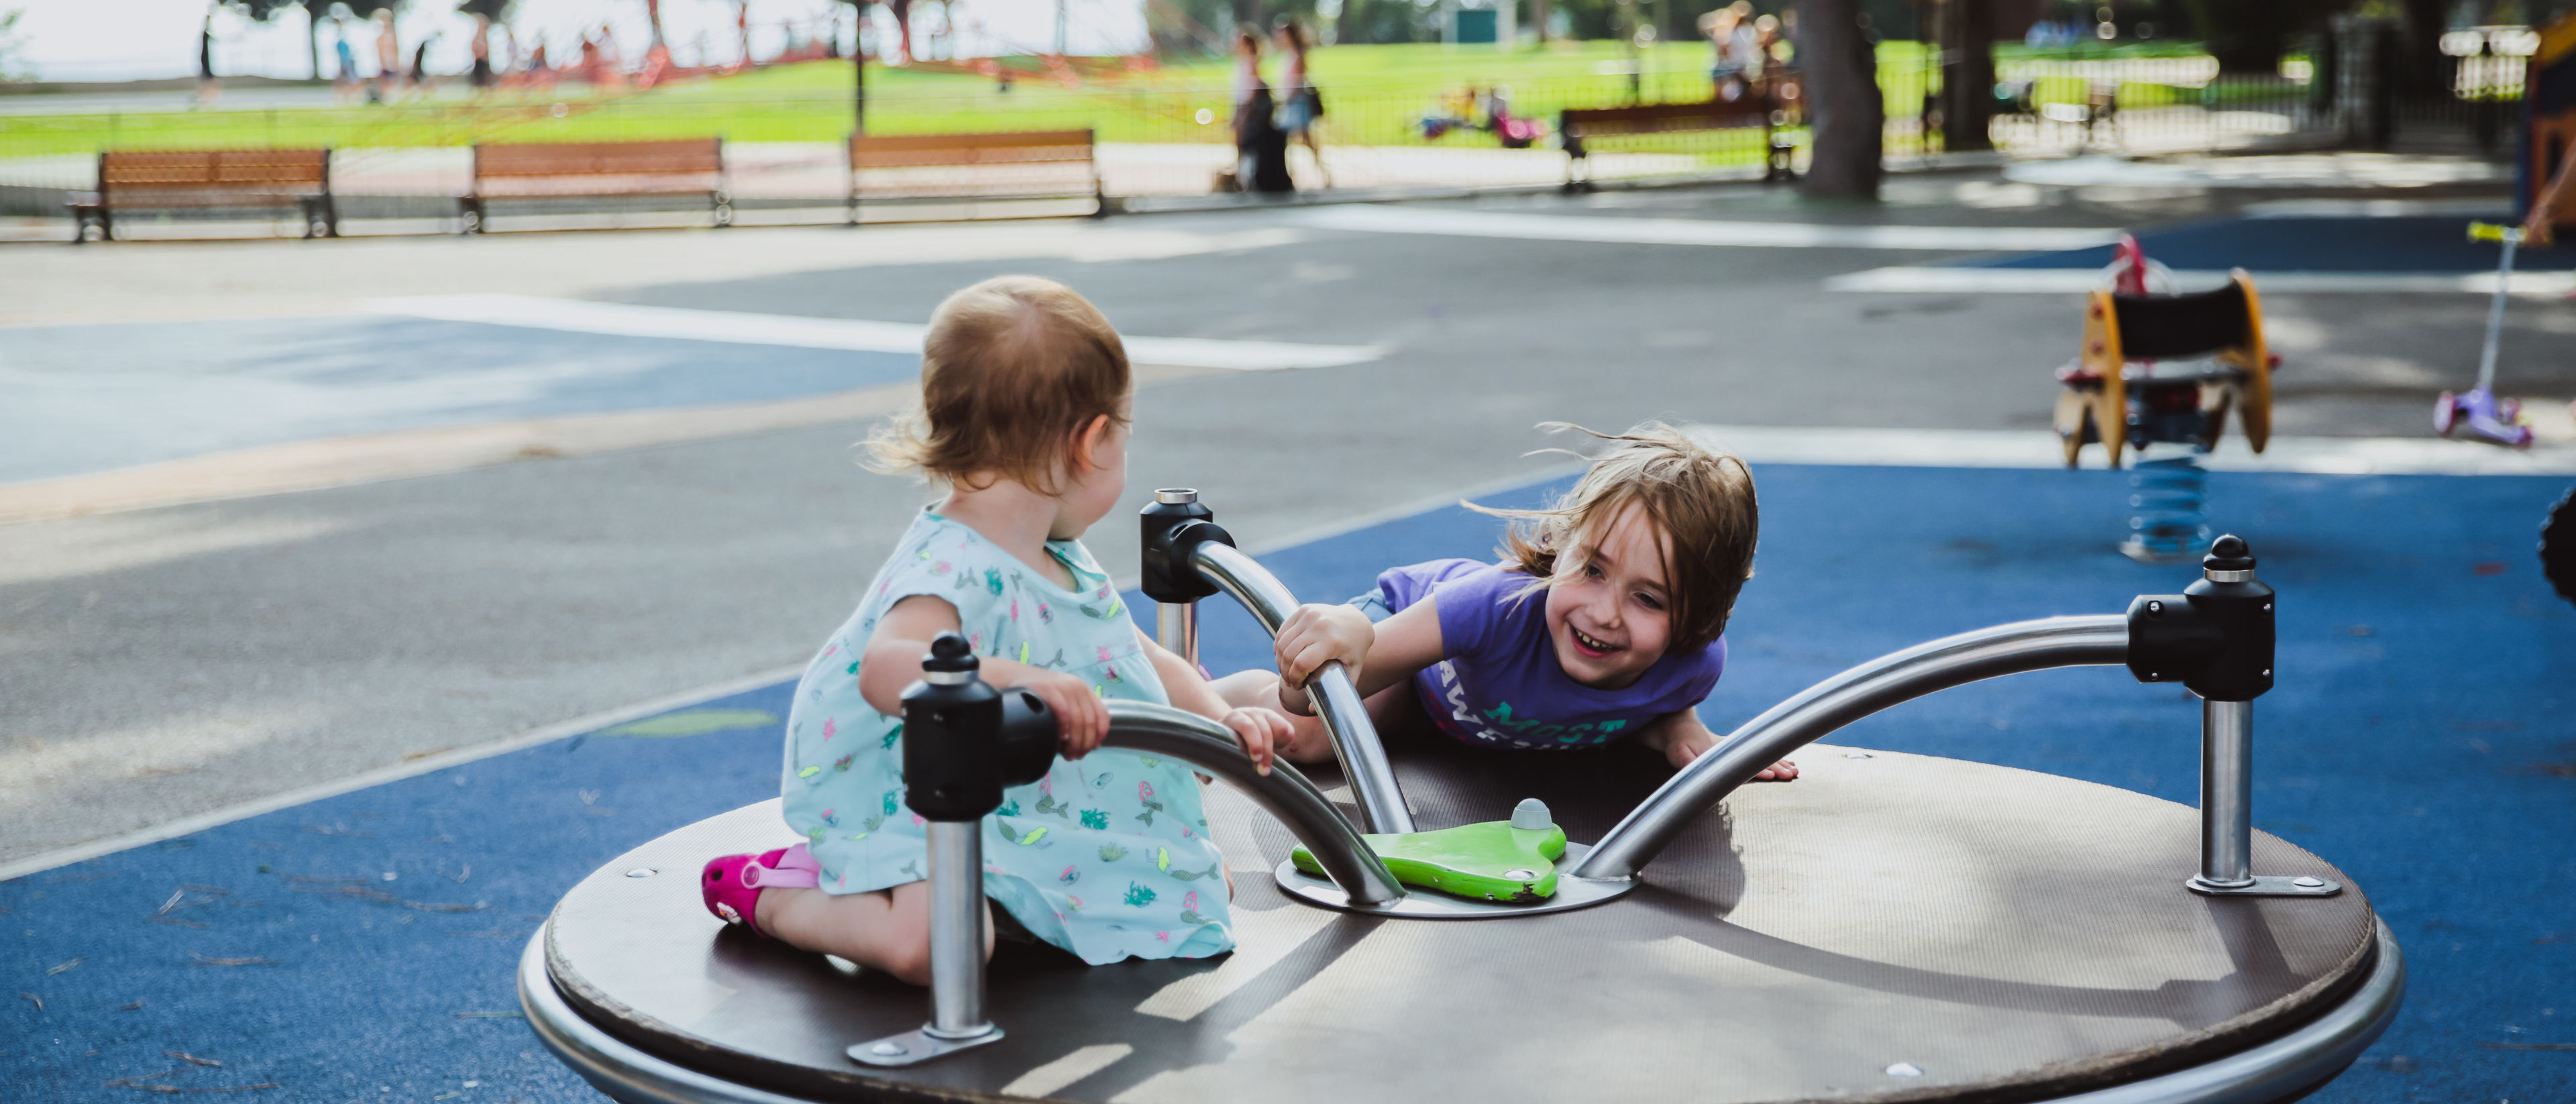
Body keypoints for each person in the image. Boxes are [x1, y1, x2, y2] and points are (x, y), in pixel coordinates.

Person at [696, 276, 1295, 984]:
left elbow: (1137, 652)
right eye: (1124, 437)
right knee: (935, 945)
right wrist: (1020, 677)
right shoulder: (950, 562)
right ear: (1091, 440)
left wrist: (1224, 721)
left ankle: (1029, 897)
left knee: (1195, 892)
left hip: (1024, 800)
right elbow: (888, 666)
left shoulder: (1061, 556)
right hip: (925, 799)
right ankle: (775, 893)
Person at [1218, 423, 1796, 779]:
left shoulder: (1693, 667)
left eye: (1648, 598)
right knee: (1320, 739)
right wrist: (1332, 649)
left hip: (1465, 714)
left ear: (1697, 620)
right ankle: (1202, 695)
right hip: (1415, 656)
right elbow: (1313, 698)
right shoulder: (1494, 608)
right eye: (1592, 569)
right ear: (1564, 548)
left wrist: (1679, 729)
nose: (1604, 613)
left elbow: (1644, 706)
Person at [1273, 19, 1329, 187]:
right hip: (1290, 103)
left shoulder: (1298, 54)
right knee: (1295, 140)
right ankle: (1290, 175)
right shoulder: (1289, 54)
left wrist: (1285, 100)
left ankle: (1320, 174)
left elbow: (1297, 81)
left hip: (1296, 103)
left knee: (1303, 139)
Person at [194, 11, 220, 108]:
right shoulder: (205, 33)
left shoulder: (206, 34)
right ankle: (205, 100)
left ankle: (202, 98)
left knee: (209, 83)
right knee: (211, 83)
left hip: (206, 61)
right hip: (205, 62)